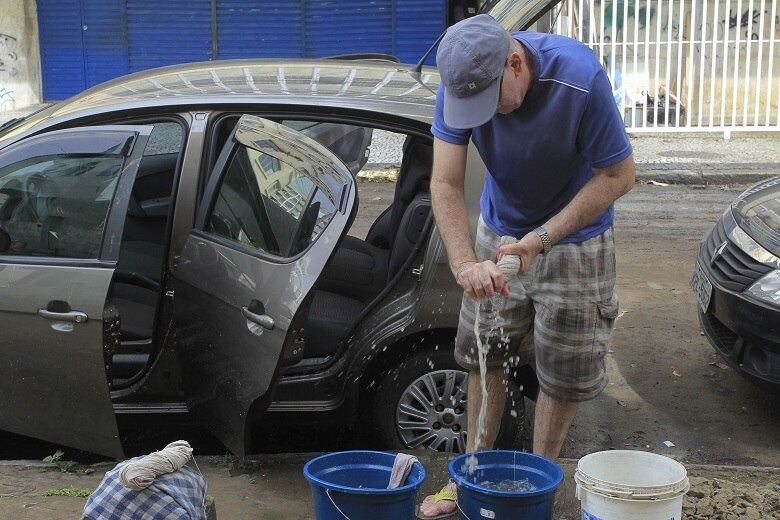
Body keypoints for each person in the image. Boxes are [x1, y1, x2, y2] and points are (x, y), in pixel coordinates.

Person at [418, 14, 636, 519]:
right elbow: (445, 183)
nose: (484, 117)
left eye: (491, 101)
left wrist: (542, 238)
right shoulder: (461, 82)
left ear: (515, 63)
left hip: (576, 241)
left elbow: (619, 175)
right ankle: (468, 476)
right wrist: (464, 264)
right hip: (498, 231)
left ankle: (539, 485)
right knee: (484, 356)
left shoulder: (579, 79)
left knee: (563, 372)